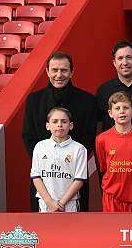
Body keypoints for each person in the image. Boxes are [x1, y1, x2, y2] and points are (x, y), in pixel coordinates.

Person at [22, 51, 97, 212]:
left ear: (71, 72)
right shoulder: (34, 100)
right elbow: (28, 136)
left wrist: (67, 162)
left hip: (74, 177)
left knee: (75, 232)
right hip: (44, 179)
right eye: (54, 70)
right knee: (42, 230)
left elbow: (89, 138)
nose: (59, 75)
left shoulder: (88, 101)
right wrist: (47, 161)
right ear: (47, 71)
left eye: (63, 70)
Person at [96, 91, 132, 212]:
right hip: (112, 197)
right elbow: (103, 167)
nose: (122, 111)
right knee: (111, 230)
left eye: (126, 108)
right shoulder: (101, 139)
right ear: (110, 113)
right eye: (117, 108)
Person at [30, 107, 87, 212]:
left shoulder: (79, 149)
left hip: (70, 204)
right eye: (55, 121)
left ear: (71, 125)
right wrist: (49, 202)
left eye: (64, 121)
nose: (59, 125)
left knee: (70, 229)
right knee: (45, 229)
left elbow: (79, 180)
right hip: (45, 203)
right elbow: (36, 177)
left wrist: (61, 203)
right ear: (48, 126)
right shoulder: (40, 146)